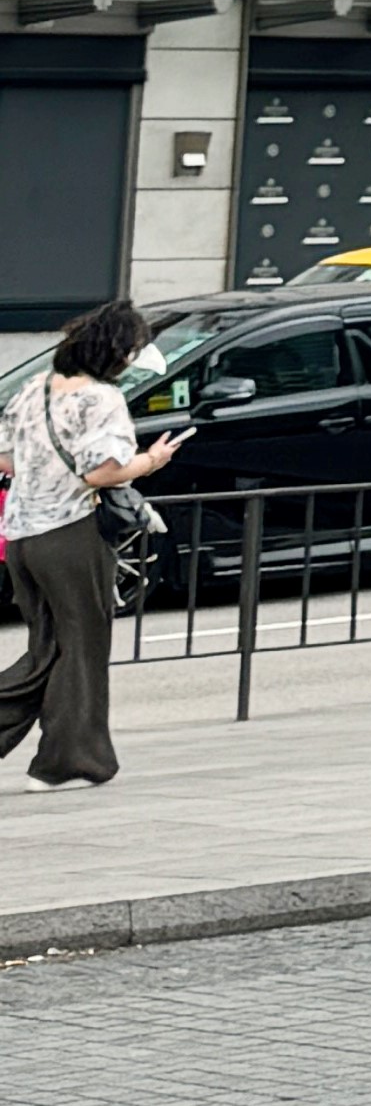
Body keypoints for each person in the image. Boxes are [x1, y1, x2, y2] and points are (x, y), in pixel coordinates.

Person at [0, 302, 181, 791]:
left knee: (47, 649)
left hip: (22, 537)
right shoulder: (101, 399)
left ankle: (66, 757)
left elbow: (6, 460)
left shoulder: (32, 390)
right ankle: (69, 761)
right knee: (82, 646)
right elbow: (100, 471)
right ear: (118, 352)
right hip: (71, 535)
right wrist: (151, 461)